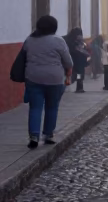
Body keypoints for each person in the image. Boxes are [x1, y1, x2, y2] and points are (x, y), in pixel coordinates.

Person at [20, 16, 72, 149]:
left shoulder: (29, 40)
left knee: (35, 107)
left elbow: (24, 57)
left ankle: (34, 136)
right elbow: (68, 62)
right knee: (52, 107)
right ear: (54, 27)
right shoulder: (58, 41)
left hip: (33, 77)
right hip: (54, 79)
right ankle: (48, 135)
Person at [63, 28, 89, 94]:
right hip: (71, 61)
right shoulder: (68, 40)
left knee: (79, 74)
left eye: (80, 34)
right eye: (78, 34)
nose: (80, 36)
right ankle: (66, 85)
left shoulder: (80, 41)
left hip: (79, 62)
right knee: (69, 74)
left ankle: (79, 87)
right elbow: (69, 50)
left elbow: (84, 49)